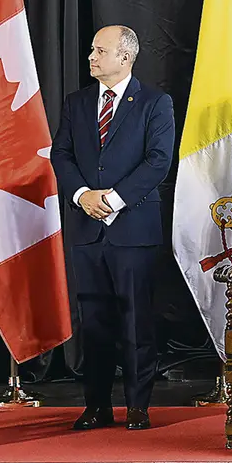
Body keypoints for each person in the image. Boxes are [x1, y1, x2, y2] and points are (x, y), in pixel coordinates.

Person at [51, 25, 175, 431]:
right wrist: (83, 195)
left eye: (99, 50)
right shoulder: (77, 103)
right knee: (95, 322)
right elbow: (62, 155)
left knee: (137, 320)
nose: (90, 56)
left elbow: (158, 161)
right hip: (87, 229)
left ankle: (138, 405)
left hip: (133, 229)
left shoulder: (155, 103)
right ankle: (98, 405)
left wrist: (114, 200)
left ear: (126, 57)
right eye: (91, 49)